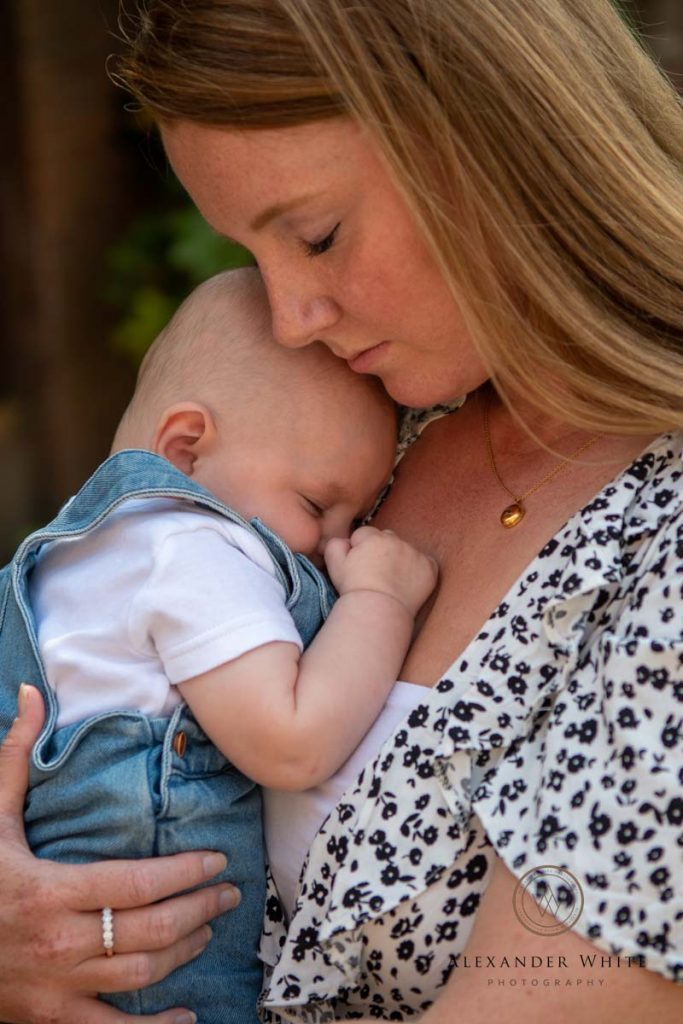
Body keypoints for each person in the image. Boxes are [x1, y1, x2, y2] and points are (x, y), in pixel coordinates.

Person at [1, 0, 682, 1021]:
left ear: (493, 134)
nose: (288, 318)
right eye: (248, 251)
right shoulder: (367, 424)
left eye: (315, 235)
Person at [1, 267, 436, 1023]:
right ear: (187, 449)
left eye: (354, 519)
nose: (332, 549)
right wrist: (378, 601)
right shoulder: (189, 548)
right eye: (315, 506)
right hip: (154, 970)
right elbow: (292, 744)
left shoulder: (72, 558)